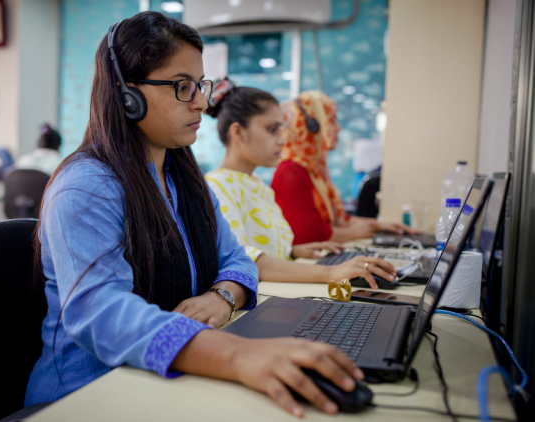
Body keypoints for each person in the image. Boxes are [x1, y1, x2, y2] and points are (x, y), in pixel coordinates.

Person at [24, 13, 363, 418]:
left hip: (163, 381)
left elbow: (237, 260)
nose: (202, 102)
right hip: (85, 396)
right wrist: (238, 355)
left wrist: (221, 297)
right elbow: (102, 313)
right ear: (127, 93)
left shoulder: (183, 178)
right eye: (183, 87)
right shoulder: (86, 186)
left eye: (200, 85)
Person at [205, 80, 397, 287]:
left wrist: (292, 251)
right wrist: (331, 272)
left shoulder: (255, 184)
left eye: (281, 129)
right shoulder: (217, 186)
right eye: (272, 129)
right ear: (238, 133)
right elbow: (244, 260)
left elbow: (260, 244)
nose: (282, 140)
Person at [271, 91, 417, 245]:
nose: (339, 128)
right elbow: (307, 235)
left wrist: (378, 225)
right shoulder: (290, 172)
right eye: (332, 121)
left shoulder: (313, 170)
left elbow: (338, 221)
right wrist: (358, 232)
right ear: (312, 127)